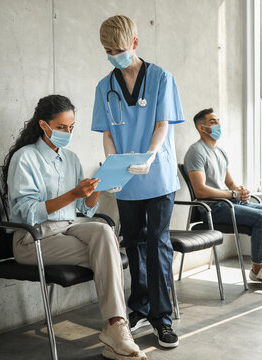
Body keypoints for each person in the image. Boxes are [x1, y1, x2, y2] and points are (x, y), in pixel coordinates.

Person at [3, 95, 146, 360]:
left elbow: (86, 210)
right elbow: (26, 212)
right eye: (61, 127)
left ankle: (116, 326)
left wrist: (98, 189)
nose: (67, 133)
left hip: (69, 226)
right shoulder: (25, 158)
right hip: (33, 239)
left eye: (71, 128)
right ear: (43, 125)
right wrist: (73, 193)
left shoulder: (70, 158)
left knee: (103, 230)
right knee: (107, 250)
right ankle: (117, 328)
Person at [91, 16, 184, 348]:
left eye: (118, 49)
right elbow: (107, 133)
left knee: (158, 243)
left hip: (157, 175)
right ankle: (140, 306)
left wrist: (149, 156)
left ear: (134, 43)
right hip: (126, 182)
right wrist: (113, 169)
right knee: (133, 242)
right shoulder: (105, 87)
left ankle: (162, 318)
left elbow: (163, 124)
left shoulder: (161, 78)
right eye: (107, 50)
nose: (113, 55)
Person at [184, 108, 262, 289]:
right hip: (213, 210)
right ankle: (258, 269)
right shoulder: (196, 151)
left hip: (230, 203)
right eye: (213, 122)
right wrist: (232, 194)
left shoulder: (220, 152)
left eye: (218, 121)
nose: (218, 125)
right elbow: (200, 191)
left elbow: (230, 183)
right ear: (201, 127)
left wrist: (240, 190)